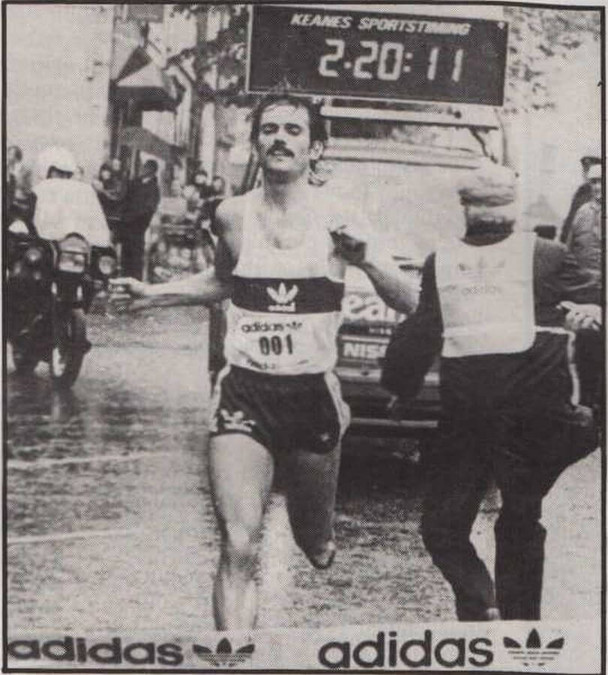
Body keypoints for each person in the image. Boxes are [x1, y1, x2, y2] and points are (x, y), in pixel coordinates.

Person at [111, 93, 417, 630]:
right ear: (255, 143)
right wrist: (153, 294)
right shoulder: (231, 215)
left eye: (293, 131)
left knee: (313, 541)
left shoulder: (340, 218)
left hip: (311, 398)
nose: (279, 138)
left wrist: (366, 256)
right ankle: (235, 656)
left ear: (315, 148)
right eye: (269, 129)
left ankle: (318, 535)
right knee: (238, 538)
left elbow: (409, 301)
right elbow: (226, 281)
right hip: (244, 392)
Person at [382, 161, 599, 621]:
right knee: (520, 521)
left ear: (465, 209)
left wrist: (400, 387)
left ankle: (481, 605)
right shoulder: (546, 254)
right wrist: (589, 309)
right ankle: (517, 630)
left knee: (443, 527)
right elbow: (594, 298)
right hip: (533, 419)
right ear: (513, 209)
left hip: (471, 419)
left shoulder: (444, 261)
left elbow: (420, 331)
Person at [564, 163, 603, 409]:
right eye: (594, 183)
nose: (598, 187)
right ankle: (589, 407)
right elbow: (568, 252)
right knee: (587, 350)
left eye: (602, 181)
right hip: (588, 295)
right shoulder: (583, 213)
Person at [121, 159, 161, 280]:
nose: (144, 170)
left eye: (147, 168)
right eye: (144, 167)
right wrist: (125, 216)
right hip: (127, 225)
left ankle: (134, 282)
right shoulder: (134, 183)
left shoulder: (154, 189)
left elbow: (149, 209)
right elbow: (125, 199)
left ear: (153, 171)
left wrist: (136, 219)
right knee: (125, 255)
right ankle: (123, 278)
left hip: (139, 227)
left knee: (136, 257)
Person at [560, 154, 601, 244]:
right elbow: (571, 216)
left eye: (589, 170)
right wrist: (564, 236)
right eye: (585, 170)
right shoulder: (581, 191)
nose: (586, 173)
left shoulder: (598, 194)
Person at [92, 161, 126, 238]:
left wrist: (102, 191)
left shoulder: (115, 183)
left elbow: (115, 197)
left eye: (108, 171)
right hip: (98, 214)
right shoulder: (98, 182)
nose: (105, 173)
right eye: (103, 171)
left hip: (110, 216)